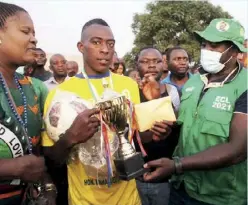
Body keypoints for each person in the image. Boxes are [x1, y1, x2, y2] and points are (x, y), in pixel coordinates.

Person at [143, 18, 247, 205]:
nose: (207, 50)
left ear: (235, 51)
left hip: (221, 196)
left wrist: (176, 165)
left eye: (215, 46)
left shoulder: (245, 86)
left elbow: (238, 150)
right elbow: (186, 129)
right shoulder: (194, 82)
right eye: (205, 44)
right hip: (182, 188)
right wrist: (169, 131)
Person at [42, 18, 141, 205]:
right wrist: (71, 137)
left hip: (128, 198)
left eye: (110, 44)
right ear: (81, 46)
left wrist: (159, 131)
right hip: (84, 200)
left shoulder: (129, 85)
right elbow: (51, 159)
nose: (105, 49)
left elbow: (138, 139)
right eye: (96, 42)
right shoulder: (59, 94)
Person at [0, 2, 56, 205]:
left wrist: (47, 184)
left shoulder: (35, 88)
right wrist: (12, 168)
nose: (34, 38)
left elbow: (39, 148)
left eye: (34, 32)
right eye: (26, 31)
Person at [134, 47, 180, 205]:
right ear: (136, 65)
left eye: (156, 61)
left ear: (164, 64)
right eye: (145, 62)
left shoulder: (173, 92)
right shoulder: (129, 93)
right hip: (136, 178)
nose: (151, 65)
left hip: (165, 178)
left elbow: (176, 128)